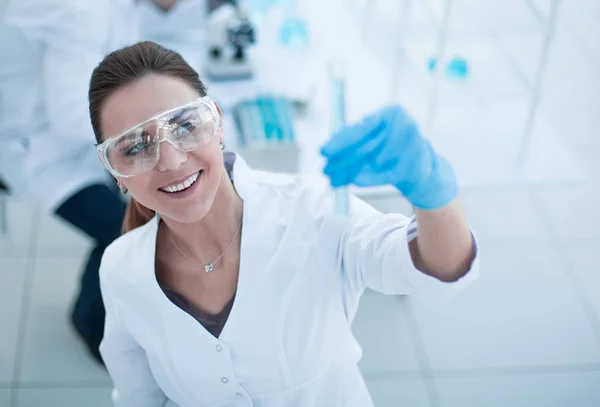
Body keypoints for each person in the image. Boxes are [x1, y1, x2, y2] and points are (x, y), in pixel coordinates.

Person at [92, 41, 479, 407]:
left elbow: (434, 269)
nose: (172, 161)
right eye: (136, 147)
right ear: (116, 173)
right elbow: (140, 398)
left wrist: (431, 191)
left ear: (218, 124)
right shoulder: (121, 269)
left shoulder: (314, 209)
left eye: (185, 125)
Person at [0, 0, 206, 364]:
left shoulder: (119, 7)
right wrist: (150, 134)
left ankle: (103, 307)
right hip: (38, 151)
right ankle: (91, 325)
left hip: (77, 142)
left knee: (137, 221)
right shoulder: (83, 12)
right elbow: (68, 115)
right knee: (130, 231)